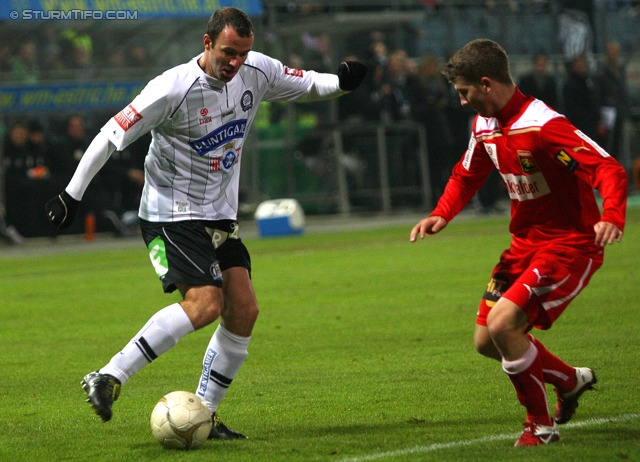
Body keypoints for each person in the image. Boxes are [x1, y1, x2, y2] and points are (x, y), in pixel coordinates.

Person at [45, 7, 366, 439]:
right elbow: (110, 134)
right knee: (206, 304)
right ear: (207, 43)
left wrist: (342, 84)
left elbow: (307, 83)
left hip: (218, 216)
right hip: (170, 216)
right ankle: (108, 375)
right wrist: (71, 194)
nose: (235, 62)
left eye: (243, 53)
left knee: (244, 311)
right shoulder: (171, 88)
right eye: (228, 52)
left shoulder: (256, 70)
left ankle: (205, 415)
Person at [410, 39, 626, 447]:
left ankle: (540, 428)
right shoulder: (484, 125)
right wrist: (442, 212)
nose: (461, 102)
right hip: (525, 245)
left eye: (464, 92)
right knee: (487, 341)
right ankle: (569, 379)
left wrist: (612, 215)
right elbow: (466, 174)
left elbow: (607, 168)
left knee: (503, 325)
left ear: (487, 84)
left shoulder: (544, 126)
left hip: (569, 245)